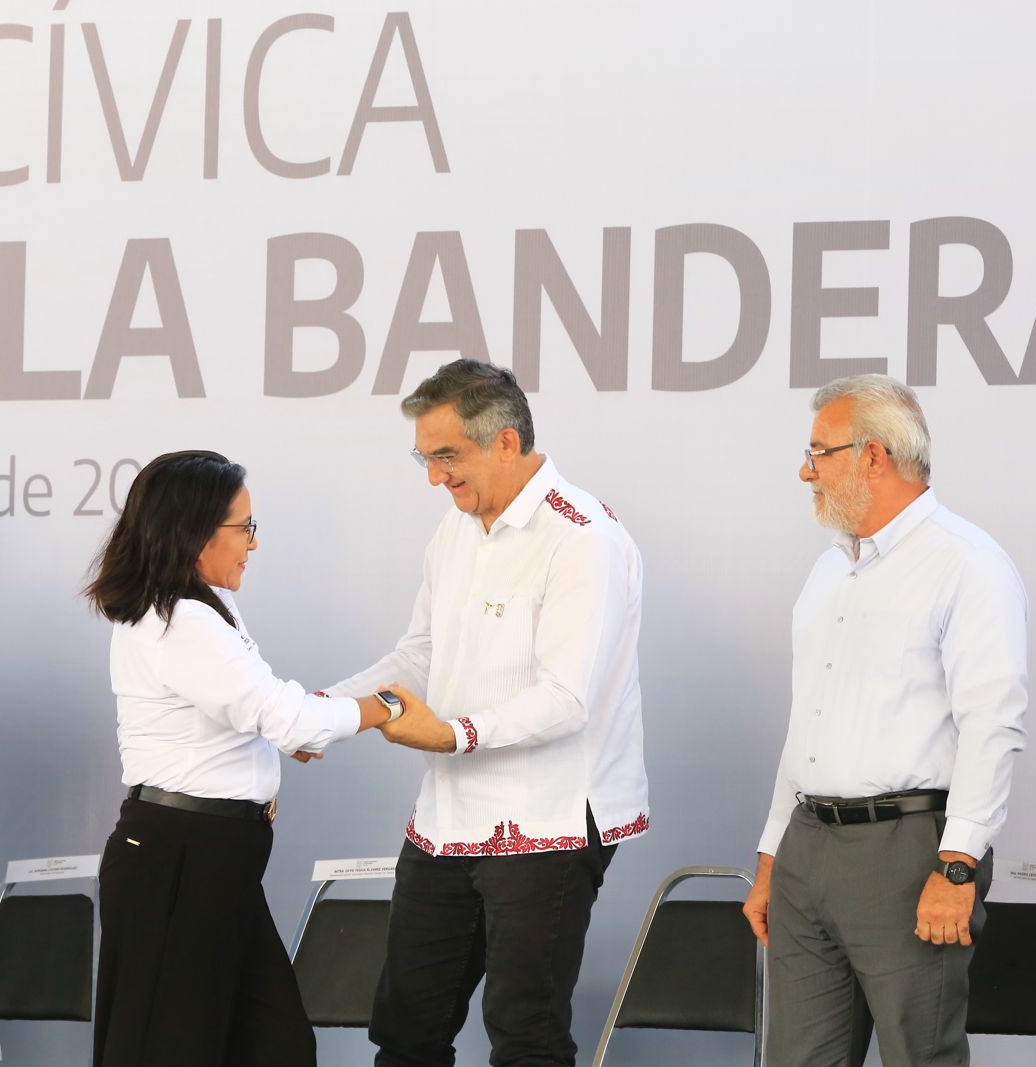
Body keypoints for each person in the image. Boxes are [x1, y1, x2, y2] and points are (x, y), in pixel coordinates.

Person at [318, 359, 649, 1066]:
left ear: (505, 442)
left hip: (548, 819)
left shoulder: (583, 537)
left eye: (447, 456)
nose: (435, 478)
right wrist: (326, 711)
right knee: (406, 1029)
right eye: (426, 458)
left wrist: (452, 733)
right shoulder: (457, 529)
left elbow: (568, 698)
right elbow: (420, 653)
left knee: (525, 1035)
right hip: (448, 817)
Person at [742, 374, 1028, 1067]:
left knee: (918, 1056)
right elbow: (807, 724)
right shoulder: (828, 572)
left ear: (873, 456)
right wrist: (772, 855)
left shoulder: (967, 563)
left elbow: (992, 725)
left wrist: (956, 866)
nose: (805, 471)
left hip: (908, 852)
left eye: (819, 453)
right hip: (808, 846)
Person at [84, 449, 393, 1067]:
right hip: (180, 860)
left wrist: (293, 731)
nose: (253, 543)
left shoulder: (200, 607)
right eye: (244, 527)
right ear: (196, 532)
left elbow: (253, 710)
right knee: (174, 1051)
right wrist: (385, 706)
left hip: (212, 860)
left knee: (276, 1046)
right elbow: (283, 714)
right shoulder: (180, 619)